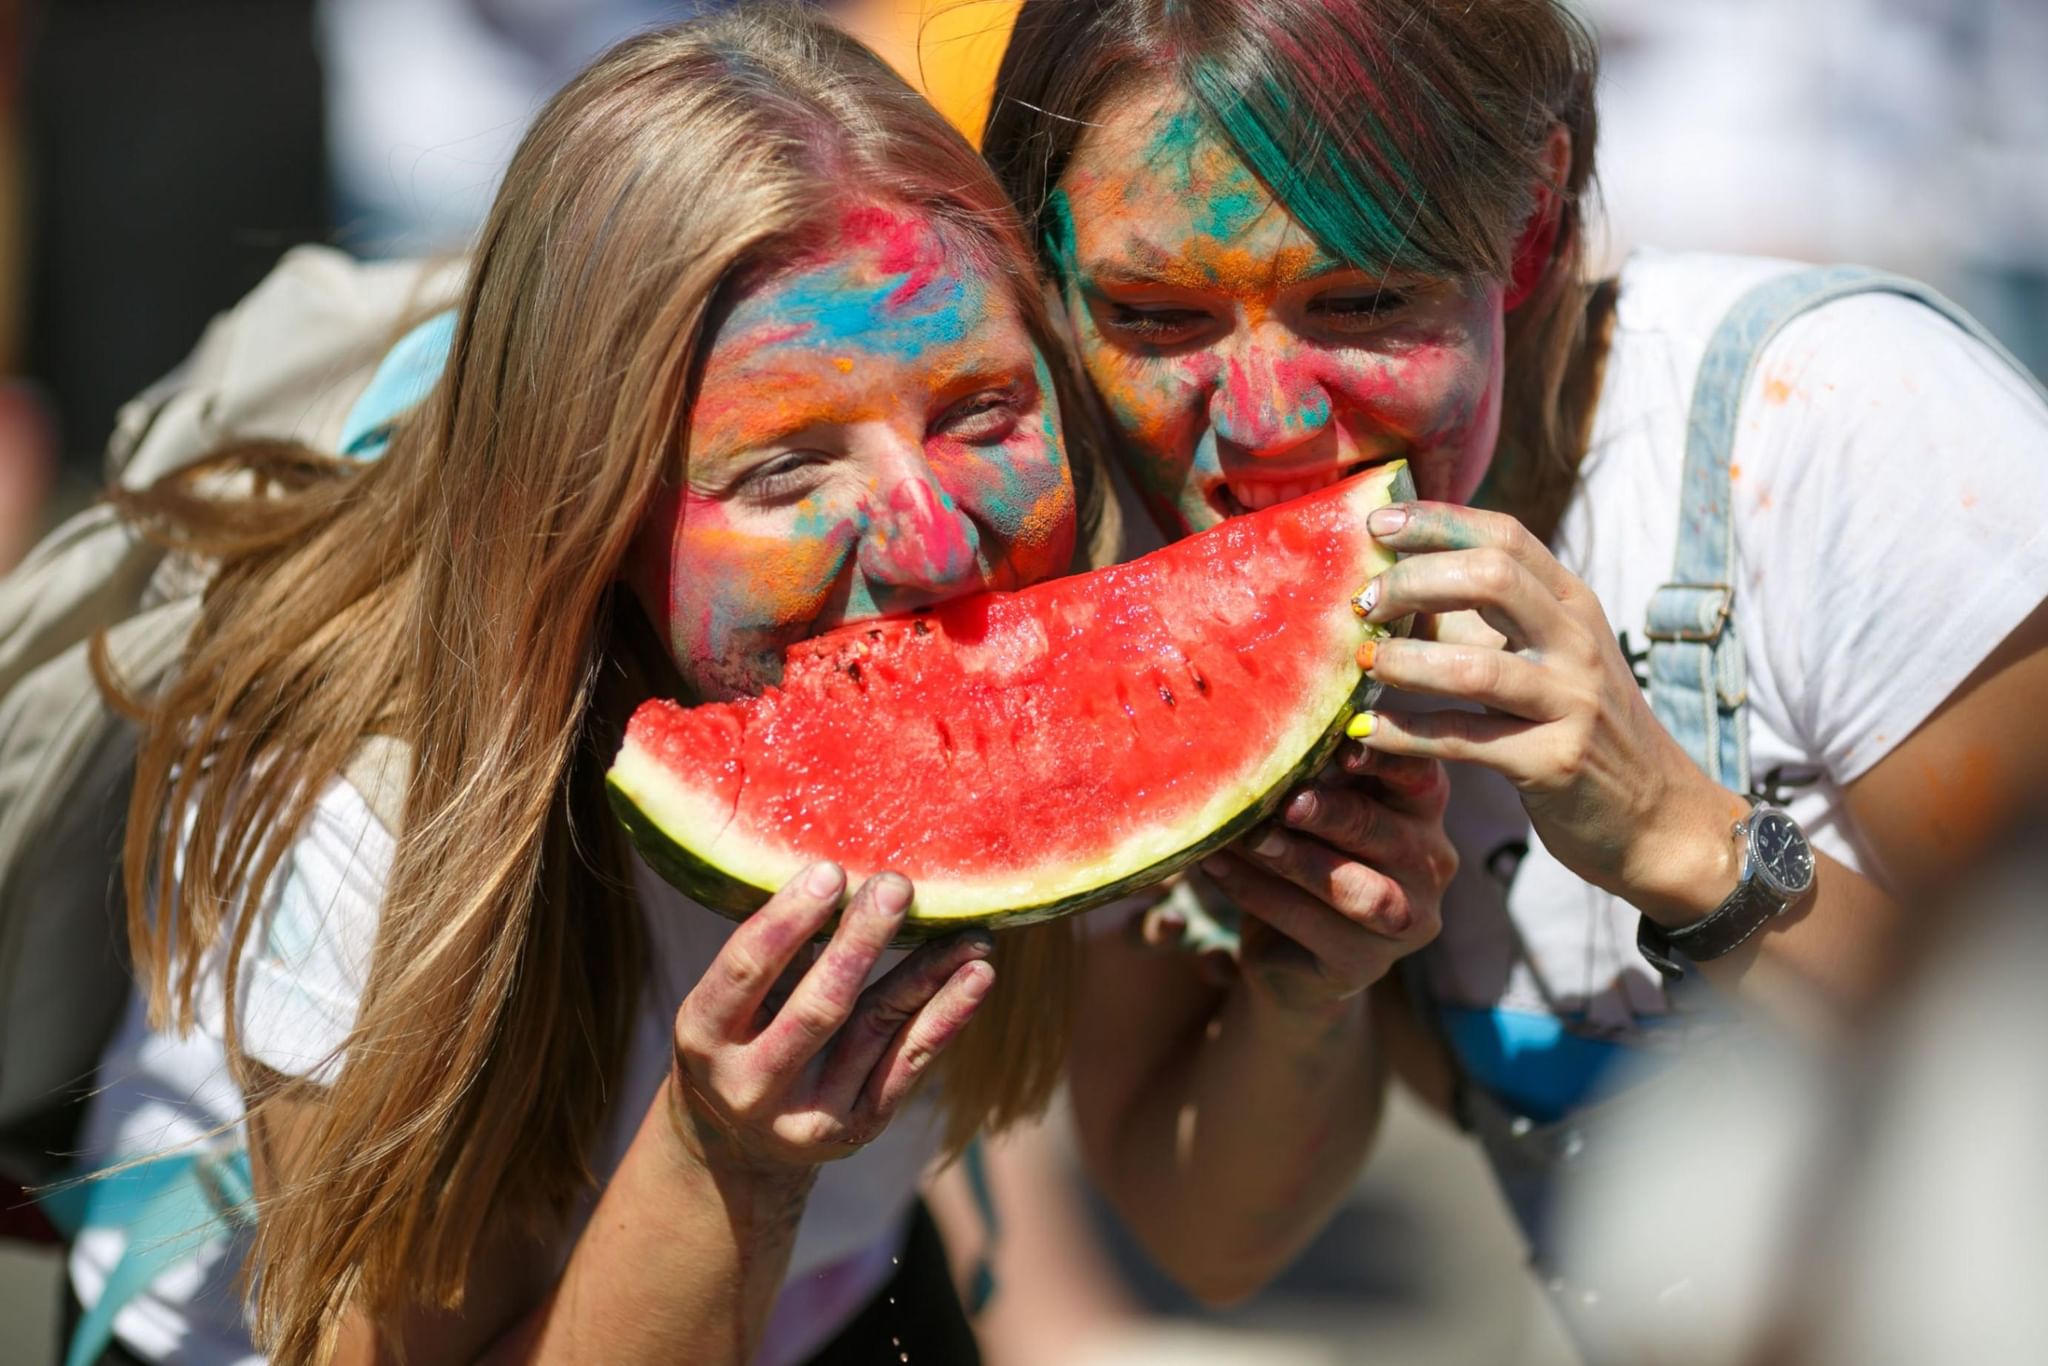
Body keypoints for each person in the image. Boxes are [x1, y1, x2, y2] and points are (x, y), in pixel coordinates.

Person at [69, 7, 1440, 1362]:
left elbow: (1210, 1235)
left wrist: (1299, 996)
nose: (933, 546)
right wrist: (721, 1156)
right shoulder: (367, 814)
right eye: (785, 470)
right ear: (586, 511)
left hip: (822, 1287)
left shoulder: (1082, 580)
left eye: (980, 413)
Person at [982, 0, 2048, 1326]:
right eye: (1152, 314)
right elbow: (1211, 1246)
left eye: (1363, 298)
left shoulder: (1841, 429)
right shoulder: (1122, 554)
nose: (1260, 427)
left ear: (1532, 220)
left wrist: (1690, 843)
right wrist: (1303, 998)